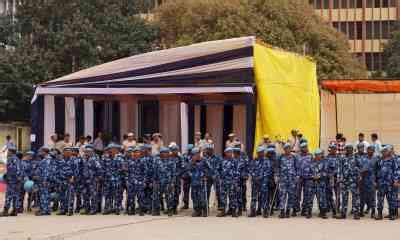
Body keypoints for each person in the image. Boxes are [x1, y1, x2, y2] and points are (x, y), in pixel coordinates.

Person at [337, 144, 361, 220]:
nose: (349, 150)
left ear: (352, 149)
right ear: (345, 149)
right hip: (344, 180)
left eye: (350, 148)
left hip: (353, 180)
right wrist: (339, 178)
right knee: (344, 197)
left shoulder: (356, 157)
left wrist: (359, 177)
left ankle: (356, 213)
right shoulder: (342, 158)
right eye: (347, 148)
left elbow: (360, 167)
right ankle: (343, 213)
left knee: (355, 197)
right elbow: (339, 168)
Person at [248, 146, 272, 218]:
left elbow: (268, 171)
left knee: (264, 196)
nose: (260, 154)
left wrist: (261, 177)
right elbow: (251, 170)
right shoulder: (254, 161)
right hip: (255, 181)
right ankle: (253, 211)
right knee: (254, 197)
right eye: (258, 153)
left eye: (261, 152)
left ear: (263, 153)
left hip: (263, 181)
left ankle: (265, 211)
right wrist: (255, 176)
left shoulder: (267, 161)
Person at [185, 147, 210, 217]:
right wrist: (192, 163)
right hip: (194, 182)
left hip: (202, 182)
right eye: (194, 154)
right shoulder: (191, 161)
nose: (196, 155)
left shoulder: (204, 160)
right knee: (194, 197)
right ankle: (197, 210)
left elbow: (210, 169)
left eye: (197, 154)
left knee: (202, 197)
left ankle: (204, 210)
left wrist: (205, 175)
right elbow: (187, 170)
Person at [375, 145, 398, 220]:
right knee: (380, 199)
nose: (384, 153)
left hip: (390, 183)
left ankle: (391, 214)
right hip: (381, 183)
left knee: (390, 199)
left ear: (388, 152)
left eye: (385, 151)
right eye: (383, 152)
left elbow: (396, 171)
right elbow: (376, 171)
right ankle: (379, 214)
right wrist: (375, 181)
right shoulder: (380, 160)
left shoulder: (393, 160)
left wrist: (395, 180)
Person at [152, 147, 176, 217]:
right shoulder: (157, 161)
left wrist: (172, 182)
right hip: (159, 182)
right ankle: (157, 210)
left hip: (168, 182)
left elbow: (173, 173)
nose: (164, 154)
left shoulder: (171, 161)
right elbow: (155, 171)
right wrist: (154, 181)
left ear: (168, 153)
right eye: (163, 152)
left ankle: (170, 210)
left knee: (169, 197)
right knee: (156, 197)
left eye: (166, 152)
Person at [304, 149, 328, 219]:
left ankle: (322, 212)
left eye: (320, 154)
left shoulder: (324, 163)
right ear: (315, 155)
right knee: (310, 199)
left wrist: (320, 176)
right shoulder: (310, 163)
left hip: (321, 183)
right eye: (317, 155)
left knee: (322, 198)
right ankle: (308, 212)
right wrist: (312, 176)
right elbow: (306, 173)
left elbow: (326, 172)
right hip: (311, 183)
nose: (319, 156)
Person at [217, 147, 240, 217]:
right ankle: (223, 211)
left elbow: (238, 171)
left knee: (233, 196)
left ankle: (233, 211)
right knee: (223, 197)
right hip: (224, 181)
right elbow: (218, 170)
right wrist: (220, 177)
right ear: (225, 153)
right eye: (228, 152)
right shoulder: (222, 161)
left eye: (230, 152)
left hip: (232, 181)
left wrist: (236, 180)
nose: (229, 153)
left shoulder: (235, 161)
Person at [277, 143, 298, 218]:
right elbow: (278, 167)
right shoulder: (280, 157)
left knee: (291, 195)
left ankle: (288, 211)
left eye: (289, 148)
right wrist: (277, 176)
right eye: (286, 148)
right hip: (283, 179)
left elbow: (296, 167)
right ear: (284, 149)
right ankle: (282, 211)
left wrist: (296, 177)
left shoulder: (294, 157)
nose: (288, 150)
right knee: (282, 195)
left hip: (292, 179)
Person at [0, 145, 22, 217]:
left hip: (12, 180)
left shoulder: (11, 158)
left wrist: (6, 176)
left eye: (8, 151)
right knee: (16, 195)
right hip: (17, 180)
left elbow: (12, 170)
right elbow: (18, 170)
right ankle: (15, 211)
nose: (7, 153)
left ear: (11, 152)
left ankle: (5, 211)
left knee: (8, 195)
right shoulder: (17, 159)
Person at [125, 146, 147, 216]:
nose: (136, 153)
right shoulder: (129, 161)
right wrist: (127, 180)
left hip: (140, 182)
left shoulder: (143, 161)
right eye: (135, 152)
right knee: (131, 196)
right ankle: (132, 209)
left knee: (141, 196)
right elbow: (127, 172)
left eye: (138, 152)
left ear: (140, 153)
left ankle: (141, 210)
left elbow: (145, 172)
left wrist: (144, 181)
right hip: (131, 182)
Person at [34, 146, 54, 216]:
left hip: (44, 180)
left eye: (41, 151)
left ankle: (44, 210)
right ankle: (47, 209)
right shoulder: (45, 159)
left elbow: (46, 171)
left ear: (44, 152)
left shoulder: (47, 160)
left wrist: (45, 180)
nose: (40, 153)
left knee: (44, 195)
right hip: (42, 180)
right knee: (45, 195)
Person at [359, 145, 378, 218]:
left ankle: (373, 211)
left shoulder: (376, 159)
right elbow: (360, 169)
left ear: (374, 151)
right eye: (369, 150)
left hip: (372, 180)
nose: (370, 151)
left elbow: (377, 171)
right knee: (362, 196)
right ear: (367, 151)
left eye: (372, 150)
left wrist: (376, 181)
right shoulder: (363, 158)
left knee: (372, 197)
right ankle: (361, 211)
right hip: (363, 179)